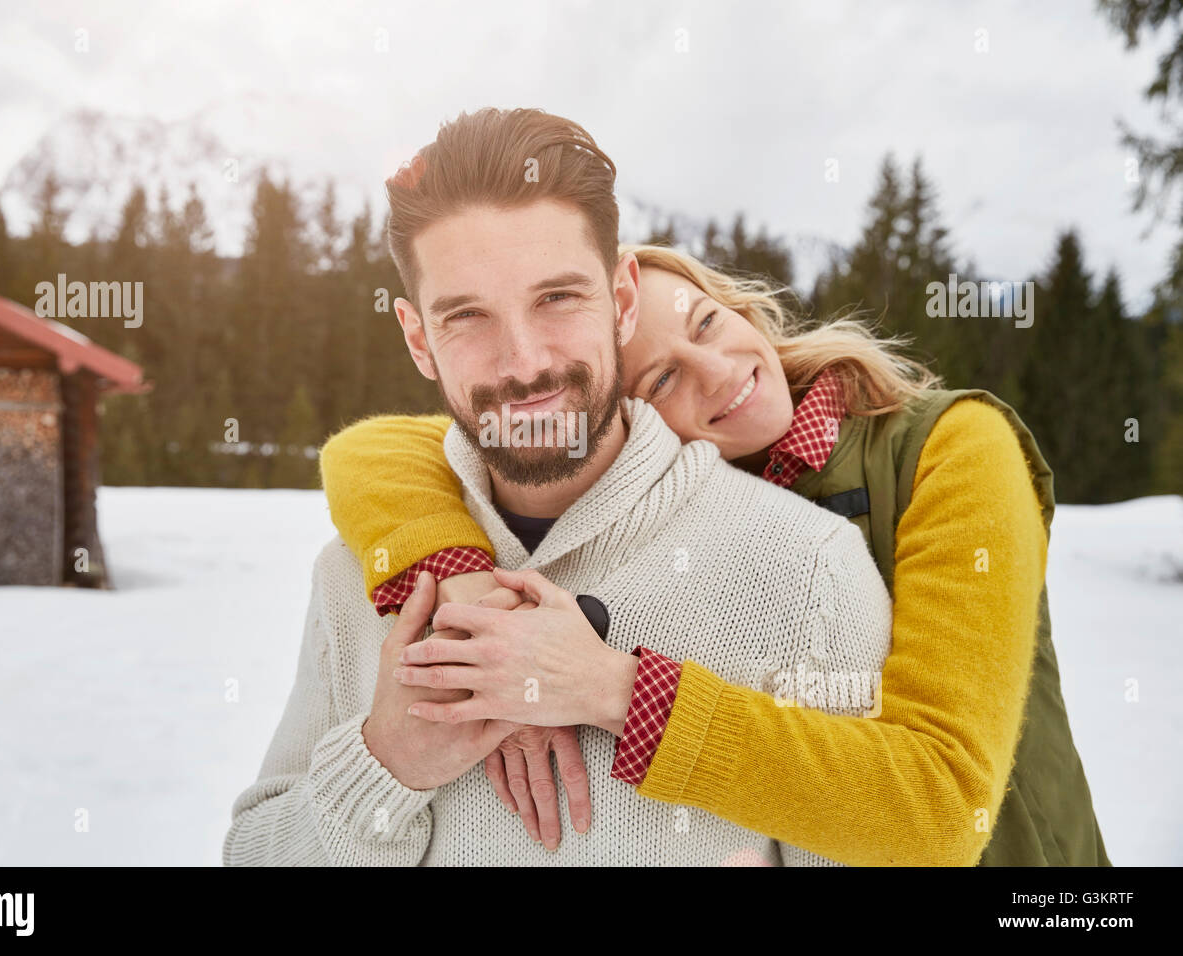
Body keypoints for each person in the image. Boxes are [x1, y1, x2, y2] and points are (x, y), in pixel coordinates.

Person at [318, 171, 1110, 867]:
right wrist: (460, 585)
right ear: (617, 419)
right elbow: (383, 450)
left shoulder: (951, 447)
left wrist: (613, 691)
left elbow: (941, 803)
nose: (717, 371)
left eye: (705, 324)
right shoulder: (680, 497)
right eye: (661, 380)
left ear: (737, 306)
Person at [222, 107, 894, 866]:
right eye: (467, 315)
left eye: (558, 298)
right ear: (419, 339)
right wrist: (386, 764)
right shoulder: (355, 578)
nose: (523, 363)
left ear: (624, 298)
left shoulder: (808, 570)